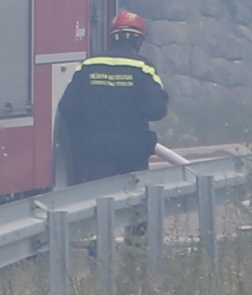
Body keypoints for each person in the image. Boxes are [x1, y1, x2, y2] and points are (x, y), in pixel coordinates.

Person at [54, 11, 170, 187]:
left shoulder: (88, 66)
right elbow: (156, 110)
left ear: (112, 38)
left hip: (96, 149)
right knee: (133, 203)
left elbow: (68, 108)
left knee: (99, 199)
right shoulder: (144, 69)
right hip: (133, 149)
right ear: (138, 40)